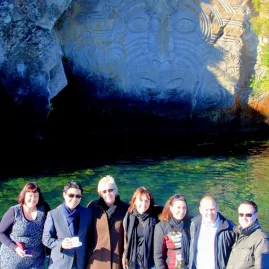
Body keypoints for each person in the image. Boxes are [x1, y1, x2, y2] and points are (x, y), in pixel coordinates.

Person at [42, 180, 92, 269]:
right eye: (71, 195)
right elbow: (46, 239)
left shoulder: (87, 213)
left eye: (78, 196)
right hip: (60, 264)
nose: (74, 199)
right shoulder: (53, 214)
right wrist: (61, 244)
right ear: (64, 194)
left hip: (81, 263)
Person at [0, 182, 50, 269]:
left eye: (35, 196)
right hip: (12, 259)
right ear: (24, 196)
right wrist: (14, 247)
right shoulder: (14, 211)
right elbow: (0, 232)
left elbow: (52, 224)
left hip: (36, 260)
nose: (33, 198)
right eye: (30, 195)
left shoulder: (44, 208)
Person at [87, 175, 129, 269]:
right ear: (100, 193)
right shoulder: (92, 207)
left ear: (116, 190)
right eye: (104, 191)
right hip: (96, 260)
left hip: (117, 261)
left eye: (111, 190)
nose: (108, 193)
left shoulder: (126, 208)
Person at [189, 195, 235, 269]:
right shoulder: (195, 223)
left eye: (212, 209)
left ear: (217, 208)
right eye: (206, 210)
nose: (210, 213)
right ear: (200, 210)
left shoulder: (228, 227)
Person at [123, 186, 162, 269]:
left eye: (146, 201)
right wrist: (125, 257)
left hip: (151, 262)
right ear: (134, 201)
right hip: (134, 260)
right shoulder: (129, 217)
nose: (144, 204)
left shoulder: (156, 215)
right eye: (140, 200)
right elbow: (125, 239)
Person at [226, 200, 269, 269]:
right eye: (241, 214)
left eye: (248, 215)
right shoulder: (237, 235)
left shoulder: (261, 239)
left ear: (256, 215)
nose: (244, 218)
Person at [154, 194, 191, 269]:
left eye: (184, 208)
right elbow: (158, 255)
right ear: (171, 208)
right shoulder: (162, 227)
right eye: (178, 207)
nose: (181, 211)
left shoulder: (191, 224)